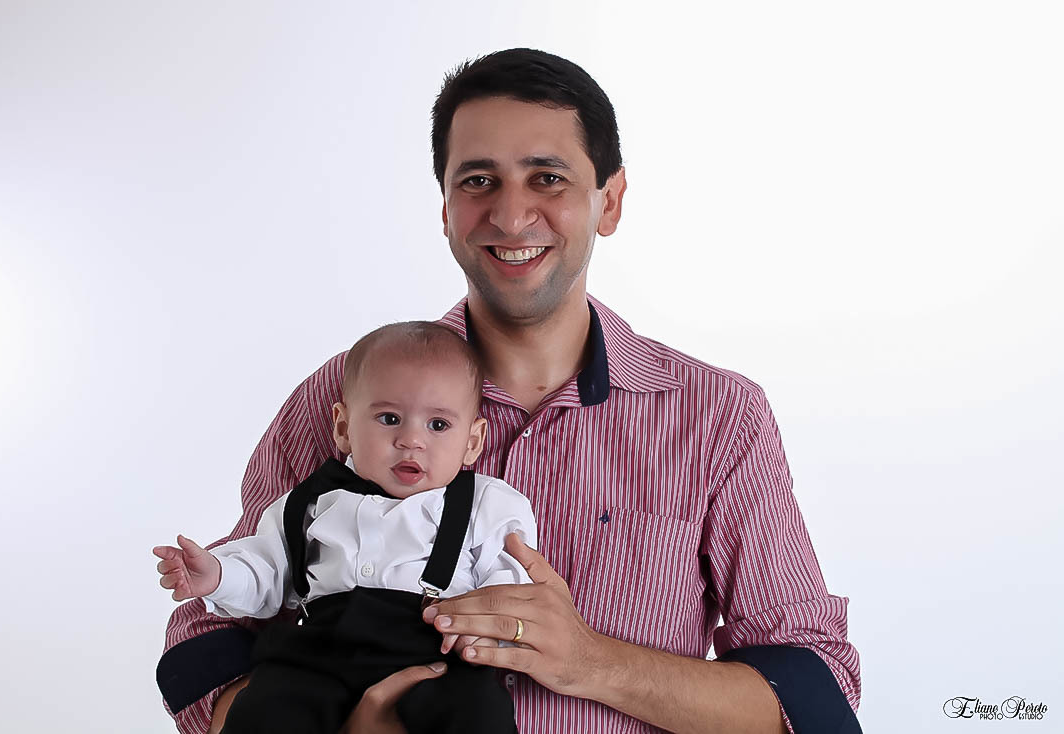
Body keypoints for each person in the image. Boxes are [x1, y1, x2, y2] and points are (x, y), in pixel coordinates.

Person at [157, 48, 863, 734]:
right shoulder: (344, 396)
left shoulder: (718, 416)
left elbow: (815, 692)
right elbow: (206, 639)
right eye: (478, 180)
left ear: (610, 200)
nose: (512, 214)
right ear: (444, 207)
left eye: (548, 178)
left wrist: (591, 662)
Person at [155, 321, 537, 733]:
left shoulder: (487, 504)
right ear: (343, 428)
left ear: (473, 441)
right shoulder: (310, 502)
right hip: (319, 656)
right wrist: (218, 574)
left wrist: (484, 636)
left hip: (437, 658)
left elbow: (511, 583)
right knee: (262, 709)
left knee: (480, 711)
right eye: (389, 418)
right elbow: (266, 569)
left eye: (438, 425)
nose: (411, 440)